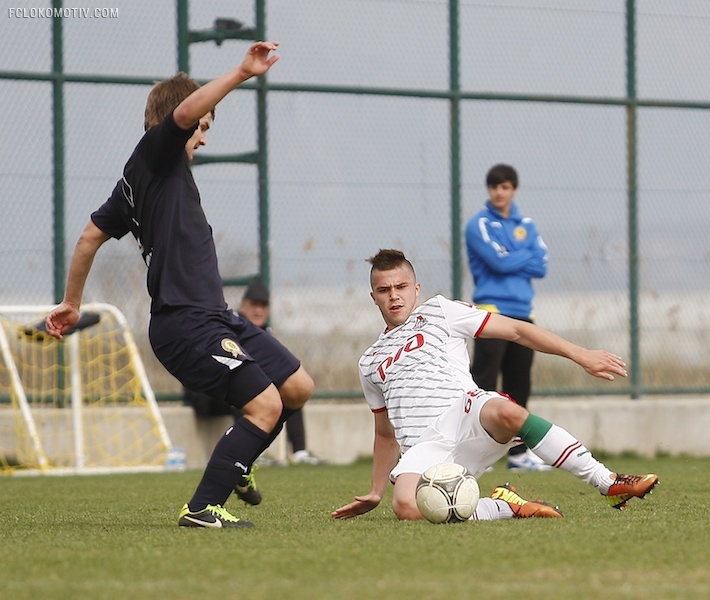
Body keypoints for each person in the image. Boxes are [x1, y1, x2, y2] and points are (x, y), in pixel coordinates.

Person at [45, 41, 315, 529]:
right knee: (267, 404)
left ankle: (238, 464)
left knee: (296, 387)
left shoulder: (138, 180)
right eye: (202, 128)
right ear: (182, 124)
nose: (203, 139)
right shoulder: (157, 151)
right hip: (186, 323)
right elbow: (186, 111)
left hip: (216, 316)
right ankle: (202, 508)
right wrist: (240, 72)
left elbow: (89, 237)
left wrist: (71, 302)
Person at [332, 249, 658, 522]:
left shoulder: (440, 311)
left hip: (464, 411)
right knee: (406, 506)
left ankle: (607, 481)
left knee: (505, 410)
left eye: (400, 286)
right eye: (384, 290)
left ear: (416, 289)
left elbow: (516, 330)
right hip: (423, 446)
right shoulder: (370, 361)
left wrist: (580, 354)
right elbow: (386, 434)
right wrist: (376, 491)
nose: (394, 296)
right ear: (373, 296)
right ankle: (505, 505)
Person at [184, 278, 324, 468]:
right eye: (254, 305)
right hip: (209, 393)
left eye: (263, 306)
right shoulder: (231, 325)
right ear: (243, 305)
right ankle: (252, 456)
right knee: (247, 391)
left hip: (239, 389)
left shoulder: (265, 333)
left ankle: (299, 454)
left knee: (293, 390)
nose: (258, 310)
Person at [465, 164, 551, 471]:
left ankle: (518, 456)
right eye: (494, 187)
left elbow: (542, 265)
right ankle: (475, 453)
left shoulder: (526, 224)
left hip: (523, 313)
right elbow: (497, 264)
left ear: (513, 189)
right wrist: (522, 254)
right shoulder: (478, 225)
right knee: (484, 384)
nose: (499, 192)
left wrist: (512, 254)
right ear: (489, 190)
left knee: (519, 384)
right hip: (492, 312)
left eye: (505, 187)